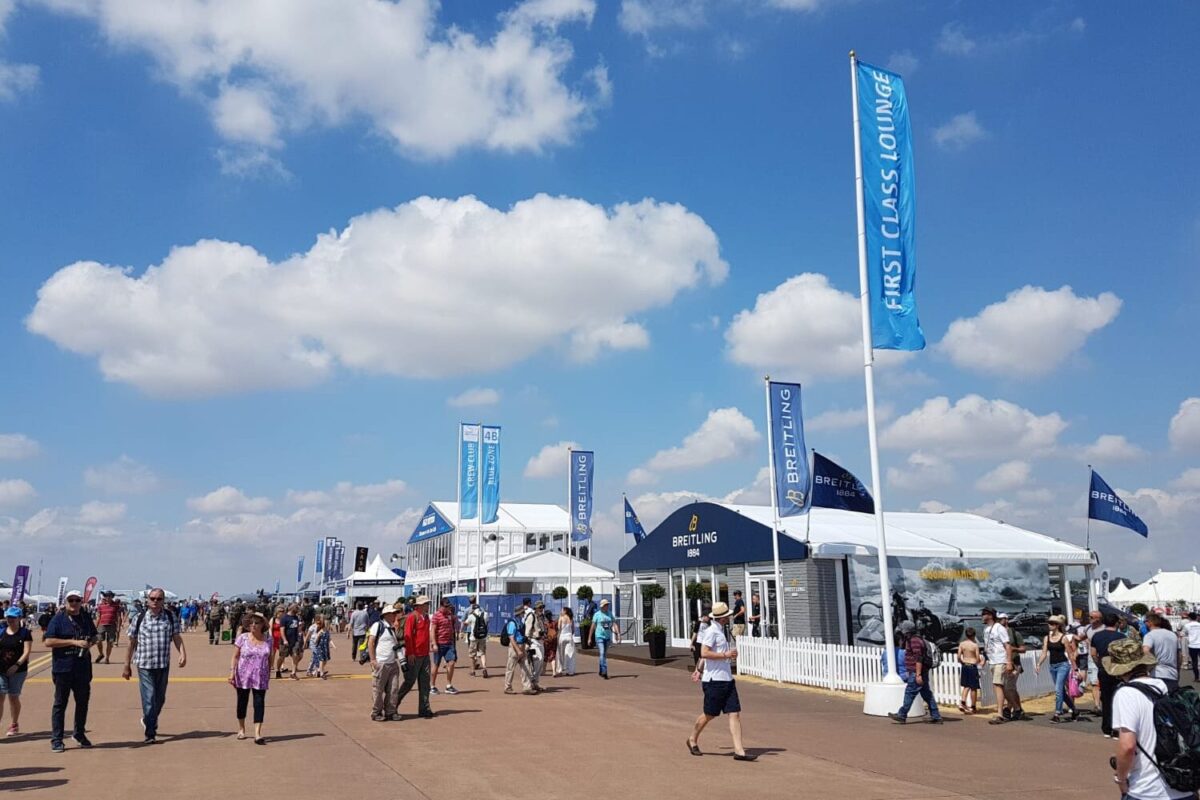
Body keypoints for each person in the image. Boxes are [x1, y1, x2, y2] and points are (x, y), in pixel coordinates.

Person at [1106, 638, 1195, 800]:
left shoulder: (1126, 694)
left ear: (1119, 670)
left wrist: (1121, 779)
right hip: (1183, 784)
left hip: (1147, 789)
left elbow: (1127, 746)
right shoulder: (1166, 687)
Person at [686, 602, 756, 761]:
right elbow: (704, 652)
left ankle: (739, 751)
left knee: (734, 713)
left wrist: (728, 655)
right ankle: (692, 739)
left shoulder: (720, 631)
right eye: (727, 616)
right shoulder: (711, 631)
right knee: (710, 714)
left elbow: (713, 653)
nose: (729, 617)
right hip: (714, 680)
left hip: (727, 679)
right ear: (723, 618)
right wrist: (725, 655)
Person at [123, 587, 186, 744]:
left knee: (160, 699)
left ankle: (148, 719)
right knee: (149, 698)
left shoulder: (170, 617)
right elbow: (131, 642)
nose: (155, 602)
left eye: (159, 599)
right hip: (144, 664)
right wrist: (126, 664)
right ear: (147, 600)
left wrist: (183, 653)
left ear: (164, 601)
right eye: (152, 598)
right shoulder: (139, 618)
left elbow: (176, 637)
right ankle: (150, 732)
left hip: (162, 663)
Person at [44, 589, 98, 752]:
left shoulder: (85, 617)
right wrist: (73, 642)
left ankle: (79, 733)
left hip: (82, 666)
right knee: (60, 703)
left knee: (82, 702)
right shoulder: (58, 619)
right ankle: (57, 738)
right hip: (63, 667)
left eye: (77, 600)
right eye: (71, 601)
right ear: (66, 602)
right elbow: (49, 641)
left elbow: (94, 636)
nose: (74, 604)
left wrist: (90, 642)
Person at [888, 620, 944, 725]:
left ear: (907, 631)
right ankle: (936, 716)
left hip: (917, 672)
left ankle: (902, 715)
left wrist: (917, 674)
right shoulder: (912, 640)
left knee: (910, 693)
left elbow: (919, 658)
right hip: (918, 672)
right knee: (927, 694)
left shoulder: (914, 641)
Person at [230, 613, 272, 744]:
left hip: (261, 677)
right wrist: (232, 673)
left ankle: (257, 734)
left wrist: (269, 673)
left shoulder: (268, 640)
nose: (253, 625)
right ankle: (241, 729)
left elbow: (270, 659)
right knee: (242, 702)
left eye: (257, 623)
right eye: (251, 623)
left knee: (259, 703)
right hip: (243, 676)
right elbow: (235, 656)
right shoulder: (242, 638)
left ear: (262, 625)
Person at [1035, 614, 1079, 723]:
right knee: (1062, 692)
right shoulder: (1047, 638)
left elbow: (1069, 654)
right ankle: (1074, 710)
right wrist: (1039, 664)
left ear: (1057, 625)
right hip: (1052, 666)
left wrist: (1075, 668)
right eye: (1049, 623)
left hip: (1063, 665)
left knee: (1058, 690)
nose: (1050, 625)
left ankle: (1057, 713)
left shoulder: (1063, 638)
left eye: (1052, 623)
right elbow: (1044, 653)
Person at [396, 595, 433, 718]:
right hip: (414, 655)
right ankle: (393, 704)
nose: (428, 605)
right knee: (409, 682)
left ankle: (424, 708)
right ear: (420, 606)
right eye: (426, 604)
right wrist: (410, 653)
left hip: (424, 654)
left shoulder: (426, 617)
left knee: (425, 682)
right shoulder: (412, 617)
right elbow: (408, 635)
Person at [1092, 612, 1127, 738]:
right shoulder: (1121, 636)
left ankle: (1106, 727)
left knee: (1106, 699)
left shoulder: (1097, 636)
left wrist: (1100, 664)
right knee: (1118, 699)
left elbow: (1093, 653)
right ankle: (1116, 728)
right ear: (1116, 623)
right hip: (1118, 670)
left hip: (1103, 669)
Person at [0, 606, 33, 736]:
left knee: (13, 697)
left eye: (13, 617)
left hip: (18, 670)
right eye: (8, 617)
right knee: (0, 696)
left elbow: (27, 651)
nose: (10, 620)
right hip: (1, 668)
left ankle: (14, 723)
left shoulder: (25, 633)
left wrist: (17, 665)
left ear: (19, 618)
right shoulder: (2, 632)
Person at [369, 604, 403, 721]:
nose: (395, 615)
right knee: (378, 689)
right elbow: (371, 642)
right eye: (393, 613)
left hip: (392, 663)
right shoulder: (378, 626)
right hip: (381, 662)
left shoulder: (392, 628)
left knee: (393, 689)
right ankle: (376, 712)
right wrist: (373, 660)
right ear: (387, 615)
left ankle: (391, 711)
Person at [980, 608, 1012, 724]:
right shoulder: (986, 629)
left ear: (990, 615)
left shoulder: (999, 628)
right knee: (999, 686)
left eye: (984, 614)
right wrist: (984, 659)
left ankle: (1000, 713)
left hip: (1000, 660)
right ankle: (1010, 706)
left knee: (998, 685)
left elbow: (1007, 646)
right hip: (992, 661)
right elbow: (987, 646)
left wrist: (1009, 662)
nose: (982, 616)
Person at [1142, 613, 1181, 692]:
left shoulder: (1150, 635)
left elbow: (1145, 650)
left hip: (1157, 673)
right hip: (1172, 674)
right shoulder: (1172, 635)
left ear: (1149, 622)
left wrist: (1150, 666)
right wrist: (1178, 671)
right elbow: (1179, 655)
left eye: (1145, 621)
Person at [504, 599, 535, 695]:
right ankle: (507, 687)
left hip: (522, 646)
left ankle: (527, 687)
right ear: (520, 613)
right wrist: (518, 650)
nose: (524, 614)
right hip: (515, 647)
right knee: (510, 668)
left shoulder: (520, 622)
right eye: (523, 612)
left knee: (526, 666)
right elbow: (511, 638)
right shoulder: (513, 623)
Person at [430, 598, 459, 695]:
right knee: (436, 665)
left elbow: (455, 625)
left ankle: (449, 685)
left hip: (449, 643)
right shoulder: (436, 616)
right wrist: (434, 643)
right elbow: (432, 630)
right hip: (439, 643)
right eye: (446, 606)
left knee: (451, 662)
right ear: (441, 606)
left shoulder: (450, 615)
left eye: (448, 606)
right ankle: (432, 686)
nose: (447, 608)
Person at [462, 596, 489, 679]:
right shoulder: (485, 614)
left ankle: (473, 671)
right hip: (482, 636)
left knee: (472, 654)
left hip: (473, 637)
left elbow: (465, 623)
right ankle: (484, 667)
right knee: (482, 653)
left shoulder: (471, 615)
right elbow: (487, 623)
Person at [592, 598, 619, 679]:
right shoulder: (597, 614)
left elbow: (614, 623)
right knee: (602, 653)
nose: (607, 606)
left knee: (604, 655)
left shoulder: (610, 614)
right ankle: (605, 671)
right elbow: (593, 626)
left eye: (608, 605)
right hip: (599, 636)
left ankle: (601, 670)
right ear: (602, 606)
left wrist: (618, 634)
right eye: (606, 605)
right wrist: (589, 637)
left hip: (607, 637)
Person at [956, 626, 981, 715]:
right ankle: (973, 706)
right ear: (974, 635)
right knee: (973, 688)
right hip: (972, 665)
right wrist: (977, 663)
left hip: (965, 665)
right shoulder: (975, 645)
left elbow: (958, 656)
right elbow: (978, 658)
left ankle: (963, 702)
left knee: (966, 686)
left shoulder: (962, 644)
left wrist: (962, 662)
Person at [94, 591, 121, 664]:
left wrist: (118, 626)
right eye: (106, 596)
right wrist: (95, 627)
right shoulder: (100, 605)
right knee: (98, 641)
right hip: (101, 625)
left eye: (109, 596)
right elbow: (98, 617)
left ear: (112, 597)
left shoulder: (116, 606)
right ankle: (101, 654)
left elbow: (118, 617)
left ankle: (107, 658)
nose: (108, 597)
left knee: (110, 642)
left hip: (112, 625)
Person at [279, 604, 303, 681]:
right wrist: (285, 640)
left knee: (295, 655)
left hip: (295, 640)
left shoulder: (296, 617)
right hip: (285, 641)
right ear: (292, 608)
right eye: (296, 608)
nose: (298, 610)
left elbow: (297, 629)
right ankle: (278, 670)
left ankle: (293, 673)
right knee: (282, 657)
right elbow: (282, 630)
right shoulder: (284, 618)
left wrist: (300, 630)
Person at [556, 607, 576, 677]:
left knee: (560, 654)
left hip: (562, 636)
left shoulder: (561, 617)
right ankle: (570, 671)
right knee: (570, 654)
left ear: (565, 611)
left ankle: (560, 670)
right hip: (569, 636)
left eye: (562, 610)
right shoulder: (571, 619)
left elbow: (559, 627)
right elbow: (573, 630)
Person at [1184, 612, 1200, 683]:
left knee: (1194, 661)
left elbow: (1184, 634)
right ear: (1196, 617)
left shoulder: (1187, 625)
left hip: (1192, 645)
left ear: (1189, 618)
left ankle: (1197, 677)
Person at [543, 607, 558, 677]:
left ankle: (543, 671)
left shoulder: (545, 624)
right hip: (554, 641)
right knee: (553, 655)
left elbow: (543, 633)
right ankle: (554, 671)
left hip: (547, 641)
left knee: (545, 655)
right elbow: (557, 630)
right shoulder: (554, 623)